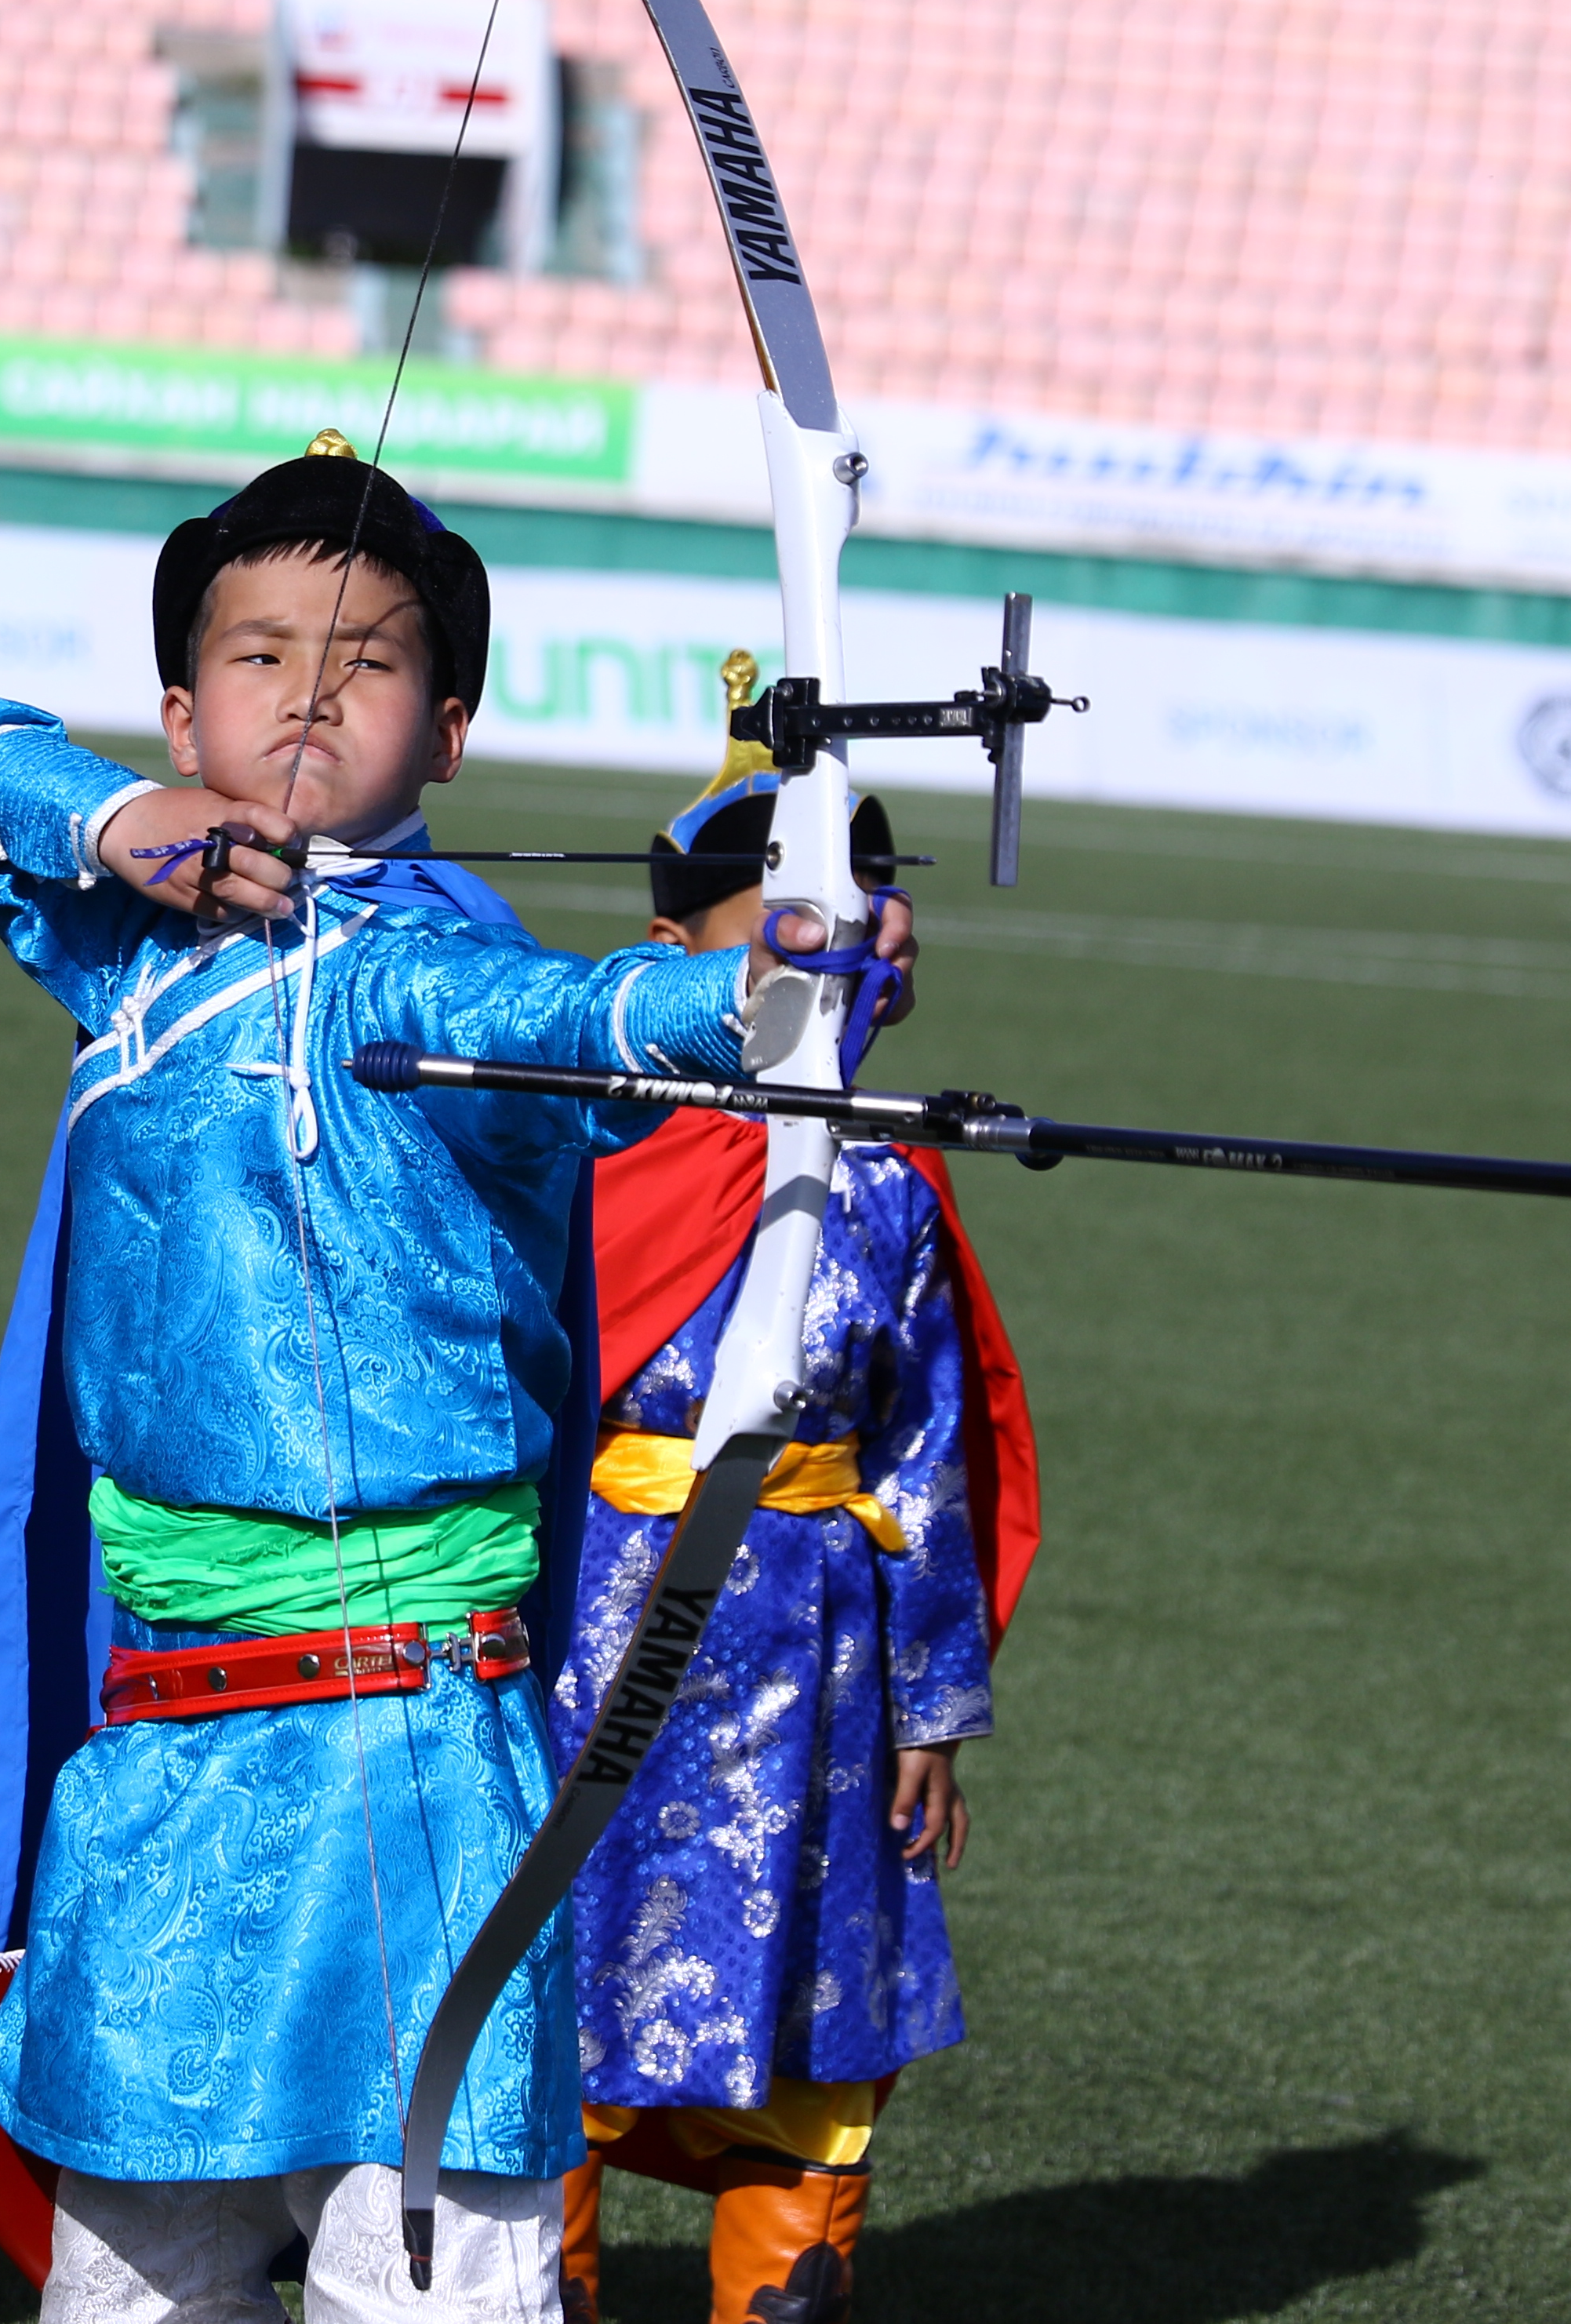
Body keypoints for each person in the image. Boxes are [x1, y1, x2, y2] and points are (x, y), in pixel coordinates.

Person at [0, 447, 893, 2323]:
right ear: (185, 711)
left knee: (431, 2280)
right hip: (172, 1744)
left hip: (417, 1755)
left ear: (451, 729)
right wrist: (114, 823)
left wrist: (775, 994)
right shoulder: (128, 950)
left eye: (371, 659)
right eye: (259, 656)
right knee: (130, 2281)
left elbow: (594, 1027)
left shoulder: (441, 975)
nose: (313, 690)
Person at [550, 765, 1041, 2324]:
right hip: (595, 1640)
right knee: (546, 2000)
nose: (834, 959)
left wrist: (931, 1711)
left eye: (859, 920)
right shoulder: (595, 1152)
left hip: (814, 1679)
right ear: (675, 946)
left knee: (813, 2035)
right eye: (784, 928)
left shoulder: (891, 1184)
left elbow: (921, 1461)